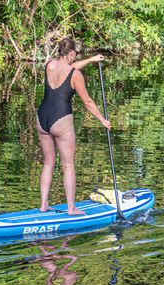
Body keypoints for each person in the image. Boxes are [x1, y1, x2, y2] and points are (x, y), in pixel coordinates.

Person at [37, 38, 111, 215]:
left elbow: (70, 66)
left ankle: (43, 205)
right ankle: (71, 208)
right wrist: (102, 120)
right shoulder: (75, 75)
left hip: (42, 118)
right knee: (68, 165)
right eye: (75, 55)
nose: (75, 58)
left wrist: (92, 59)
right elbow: (87, 101)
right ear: (71, 53)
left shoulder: (50, 65)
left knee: (48, 163)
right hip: (61, 120)